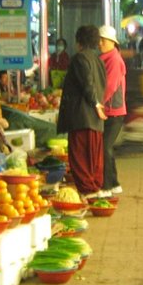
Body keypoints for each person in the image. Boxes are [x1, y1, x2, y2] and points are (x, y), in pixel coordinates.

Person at [57, 24, 107, 196]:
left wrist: (94, 103)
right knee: (94, 159)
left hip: (81, 118)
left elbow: (88, 84)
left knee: (80, 159)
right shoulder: (98, 60)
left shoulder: (79, 59)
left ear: (79, 41)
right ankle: (95, 190)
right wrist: (98, 105)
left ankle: (89, 191)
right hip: (95, 120)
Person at [98, 25, 127, 196]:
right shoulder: (105, 58)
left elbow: (110, 85)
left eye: (103, 40)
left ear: (112, 42)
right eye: (99, 39)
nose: (100, 43)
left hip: (114, 112)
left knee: (105, 148)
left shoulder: (114, 60)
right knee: (106, 148)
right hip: (109, 111)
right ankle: (114, 183)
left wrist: (97, 103)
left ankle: (107, 187)